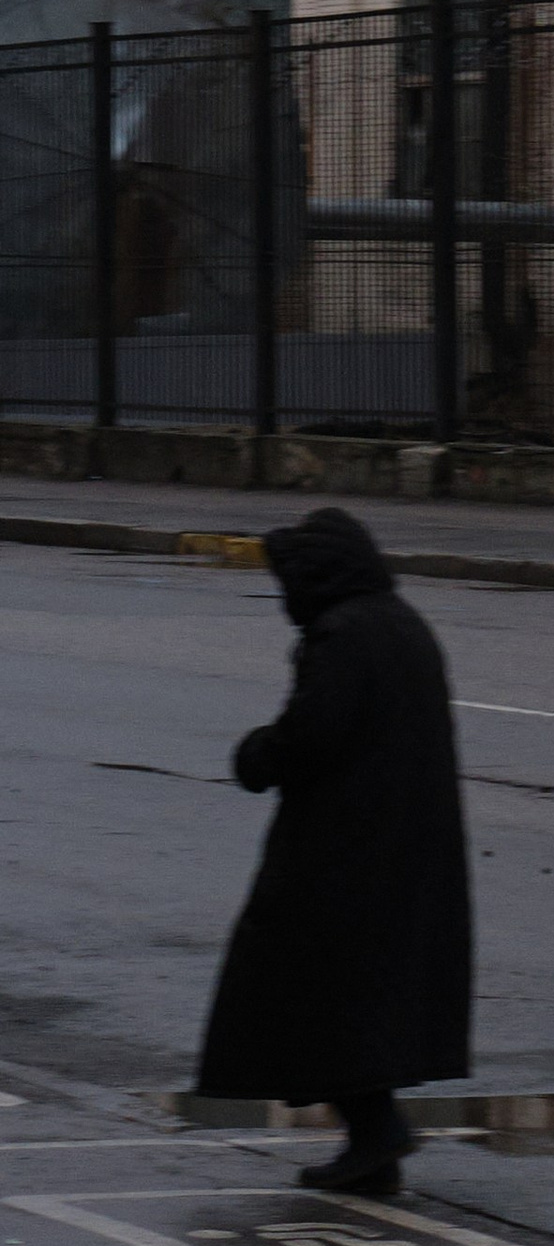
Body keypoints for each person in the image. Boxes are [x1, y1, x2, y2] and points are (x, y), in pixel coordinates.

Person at [197, 508, 473, 1198]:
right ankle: (373, 1140)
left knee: (308, 984)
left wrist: (257, 754)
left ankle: (376, 1133)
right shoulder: (401, 622)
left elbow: (311, 736)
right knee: (359, 995)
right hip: (406, 840)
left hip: (345, 846)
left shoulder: (343, 635)